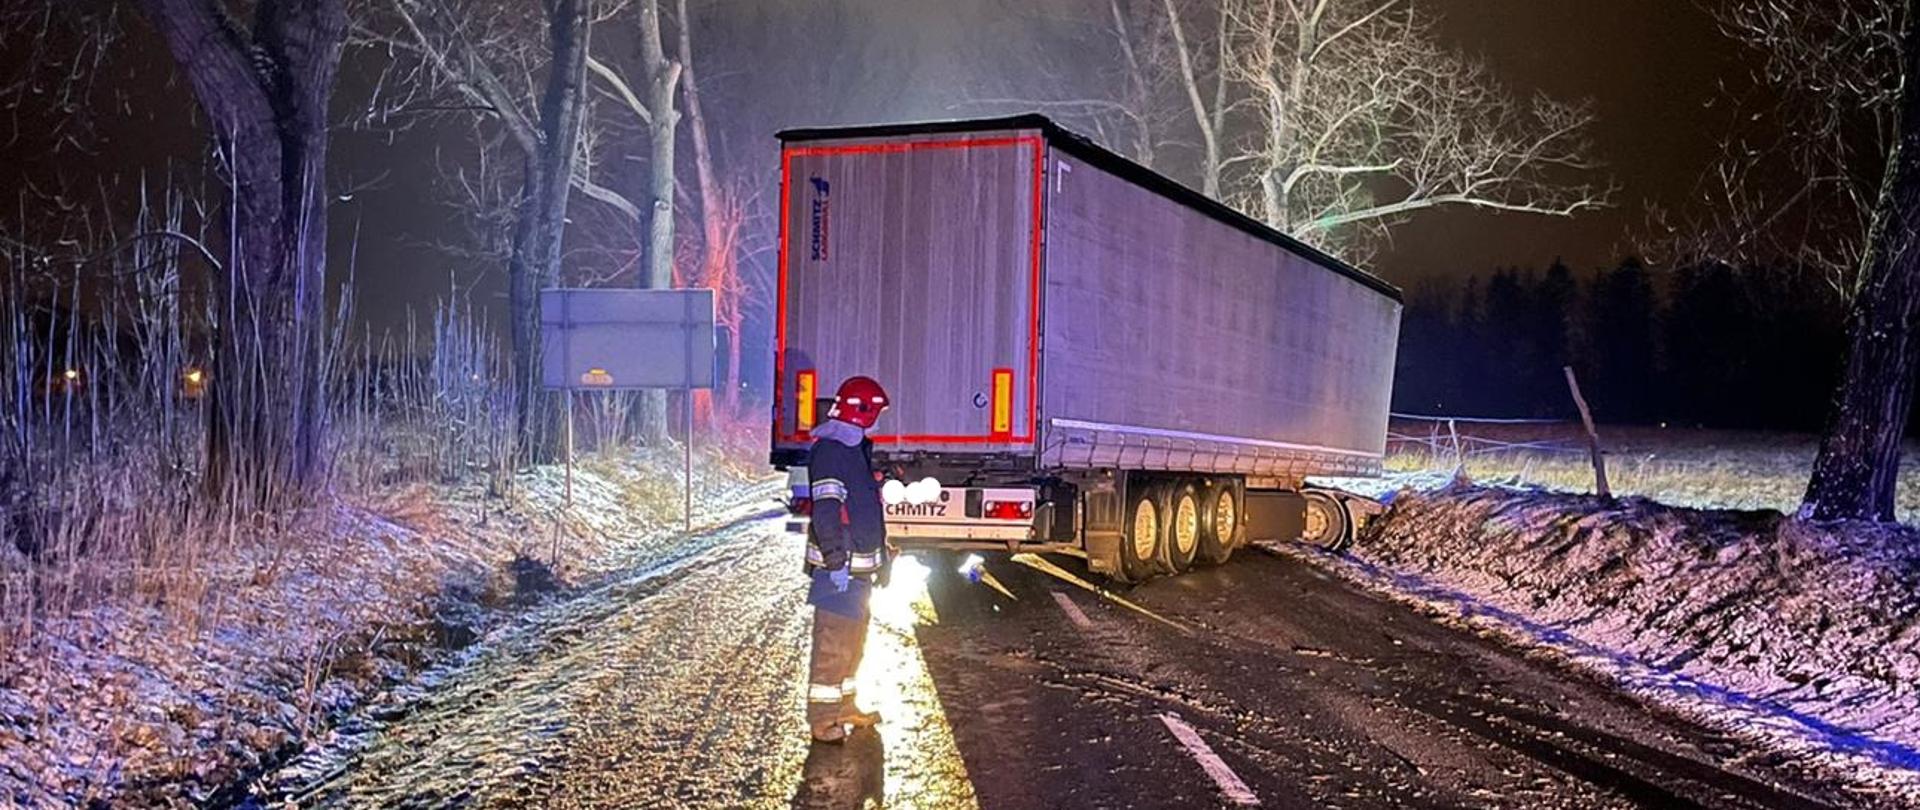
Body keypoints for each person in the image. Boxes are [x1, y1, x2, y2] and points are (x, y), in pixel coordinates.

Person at [804, 375, 894, 744]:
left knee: (853, 643)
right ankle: (823, 721)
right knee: (833, 647)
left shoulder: (852, 447)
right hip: (837, 572)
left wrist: (881, 562)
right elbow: (827, 511)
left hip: (856, 572)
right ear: (864, 411)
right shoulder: (832, 450)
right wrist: (836, 562)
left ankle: (845, 706)